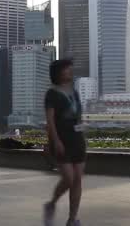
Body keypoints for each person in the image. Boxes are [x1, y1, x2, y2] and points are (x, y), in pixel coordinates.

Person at [43, 59, 86, 226]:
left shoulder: (74, 92)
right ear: (58, 72)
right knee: (69, 178)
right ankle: (51, 204)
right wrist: (55, 141)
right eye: (66, 68)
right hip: (62, 140)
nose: (70, 71)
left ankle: (72, 219)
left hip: (77, 140)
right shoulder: (52, 93)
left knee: (77, 180)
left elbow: (78, 116)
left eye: (70, 68)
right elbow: (50, 121)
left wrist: (83, 131)